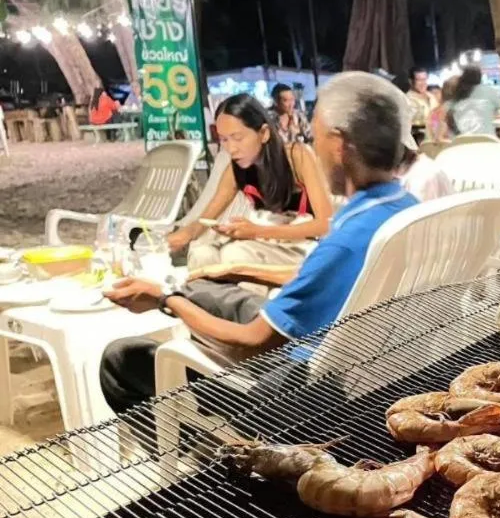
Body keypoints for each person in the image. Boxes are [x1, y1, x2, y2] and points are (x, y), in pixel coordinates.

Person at [99, 71, 419, 414]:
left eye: (317, 135)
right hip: (378, 367)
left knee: (120, 361)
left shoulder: (346, 240)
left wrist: (165, 300)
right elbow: (330, 275)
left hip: (301, 396)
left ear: (339, 146)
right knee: (204, 289)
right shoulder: (406, 209)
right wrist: (238, 269)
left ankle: (214, 447)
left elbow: (249, 345)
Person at [168, 94, 334, 272]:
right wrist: (183, 235)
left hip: (300, 247)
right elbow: (207, 217)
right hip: (261, 242)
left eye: (238, 138)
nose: (231, 149)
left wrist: (257, 231)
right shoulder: (235, 168)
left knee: (235, 255)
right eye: (224, 140)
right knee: (202, 254)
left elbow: (326, 224)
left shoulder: (297, 157)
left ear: (263, 133)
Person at [448, 64, 500, 136]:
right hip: (486, 141)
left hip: (460, 142)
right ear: (480, 77)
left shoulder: (456, 93)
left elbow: (449, 115)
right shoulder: (489, 91)